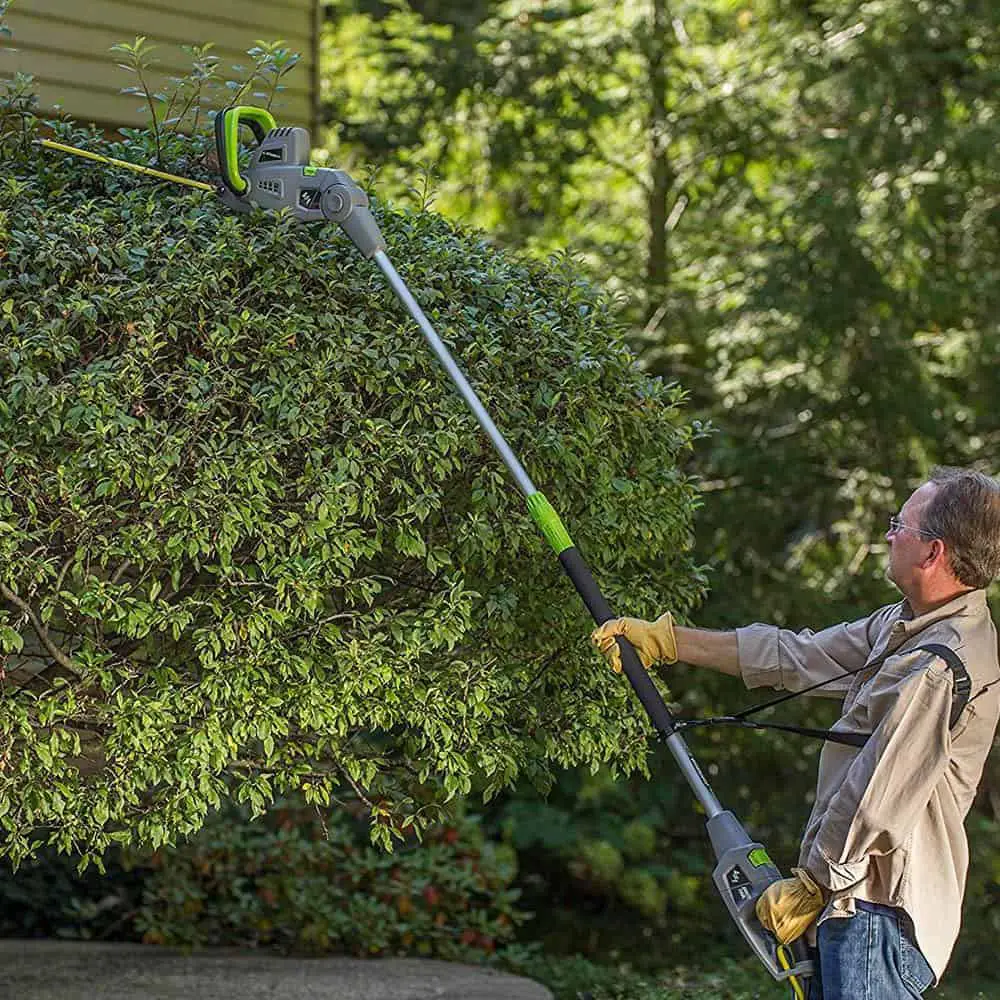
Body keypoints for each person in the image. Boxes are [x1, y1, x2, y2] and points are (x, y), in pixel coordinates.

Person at [592, 467, 1000, 999]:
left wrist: (813, 883)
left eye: (900, 523)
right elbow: (803, 656)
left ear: (933, 552)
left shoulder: (938, 665)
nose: (888, 533)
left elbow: (876, 798)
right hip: (856, 904)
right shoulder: (907, 625)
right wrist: (669, 641)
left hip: (878, 913)